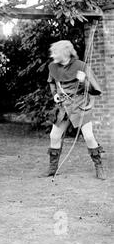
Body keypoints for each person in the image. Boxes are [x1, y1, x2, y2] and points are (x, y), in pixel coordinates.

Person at [42, 40, 106, 180]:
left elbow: (95, 89)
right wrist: (55, 95)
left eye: (55, 52)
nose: (52, 55)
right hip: (63, 106)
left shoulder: (81, 66)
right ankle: (53, 169)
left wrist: (84, 81)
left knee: (88, 136)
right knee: (54, 136)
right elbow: (52, 83)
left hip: (80, 105)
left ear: (64, 53)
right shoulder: (52, 67)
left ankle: (99, 167)